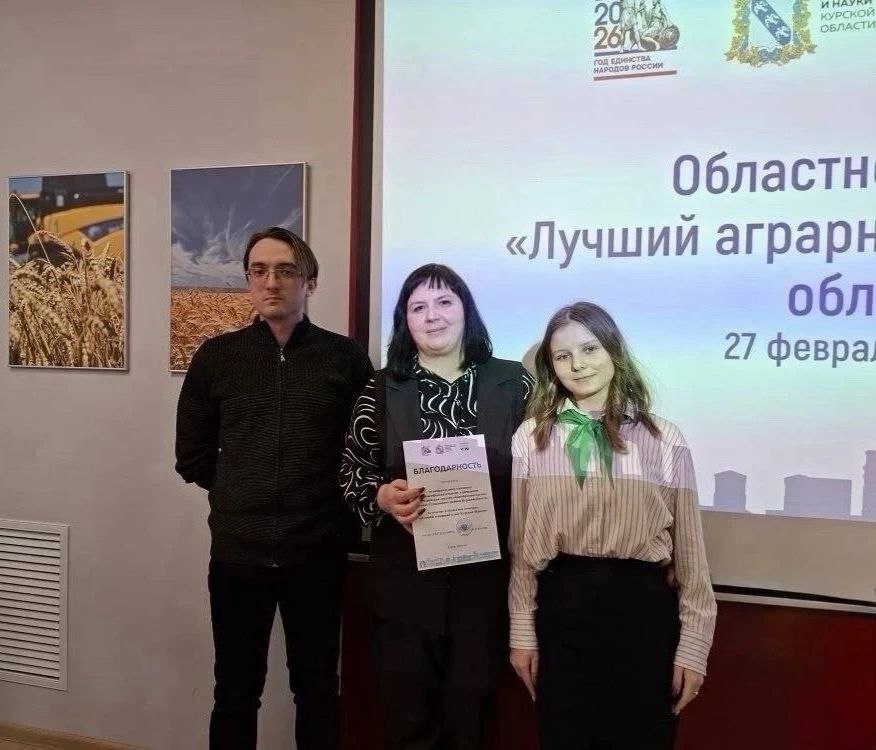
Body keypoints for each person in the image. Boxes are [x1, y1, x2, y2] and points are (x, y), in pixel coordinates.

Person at [175, 226, 373, 750]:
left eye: (286, 271)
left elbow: (364, 450)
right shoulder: (217, 357)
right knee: (235, 691)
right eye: (259, 271)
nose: (271, 282)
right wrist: (242, 490)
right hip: (239, 554)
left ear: (310, 282)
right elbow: (191, 455)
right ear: (248, 281)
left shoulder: (345, 359)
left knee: (317, 688)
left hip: (318, 551)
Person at [508, 301, 716, 750]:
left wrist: (694, 646)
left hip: (643, 618)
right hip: (561, 613)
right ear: (551, 366)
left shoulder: (665, 439)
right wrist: (522, 632)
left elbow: (692, 556)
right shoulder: (530, 438)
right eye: (563, 356)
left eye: (590, 349)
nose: (578, 364)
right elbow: (521, 547)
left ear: (613, 352)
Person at [340, 264, 532, 750]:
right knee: (409, 724)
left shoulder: (514, 384)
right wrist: (382, 496)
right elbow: (352, 471)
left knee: (473, 722)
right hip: (404, 588)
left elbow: (544, 473)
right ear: (404, 321)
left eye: (445, 302)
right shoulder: (379, 388)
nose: (432, 316)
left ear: (467, 310)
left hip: (483, 587)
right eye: (418, 307)